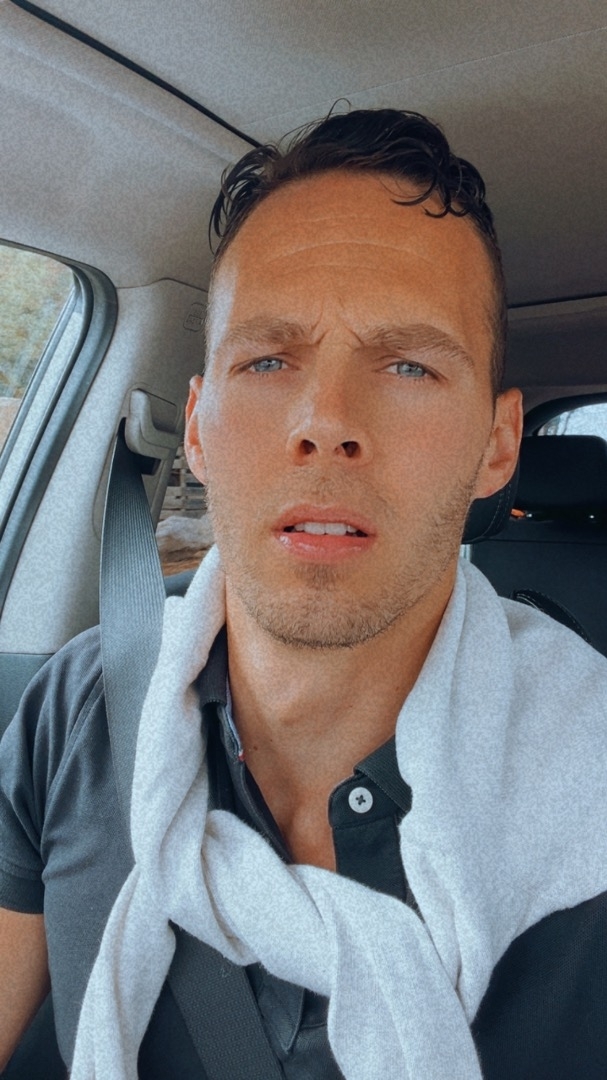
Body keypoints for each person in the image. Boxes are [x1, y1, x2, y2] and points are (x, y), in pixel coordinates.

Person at [1, 107, 607, 1080]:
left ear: (497, 445)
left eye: (406, 363)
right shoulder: (77, 712)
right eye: (268, 359)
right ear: (196, 429)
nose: (325, 422)